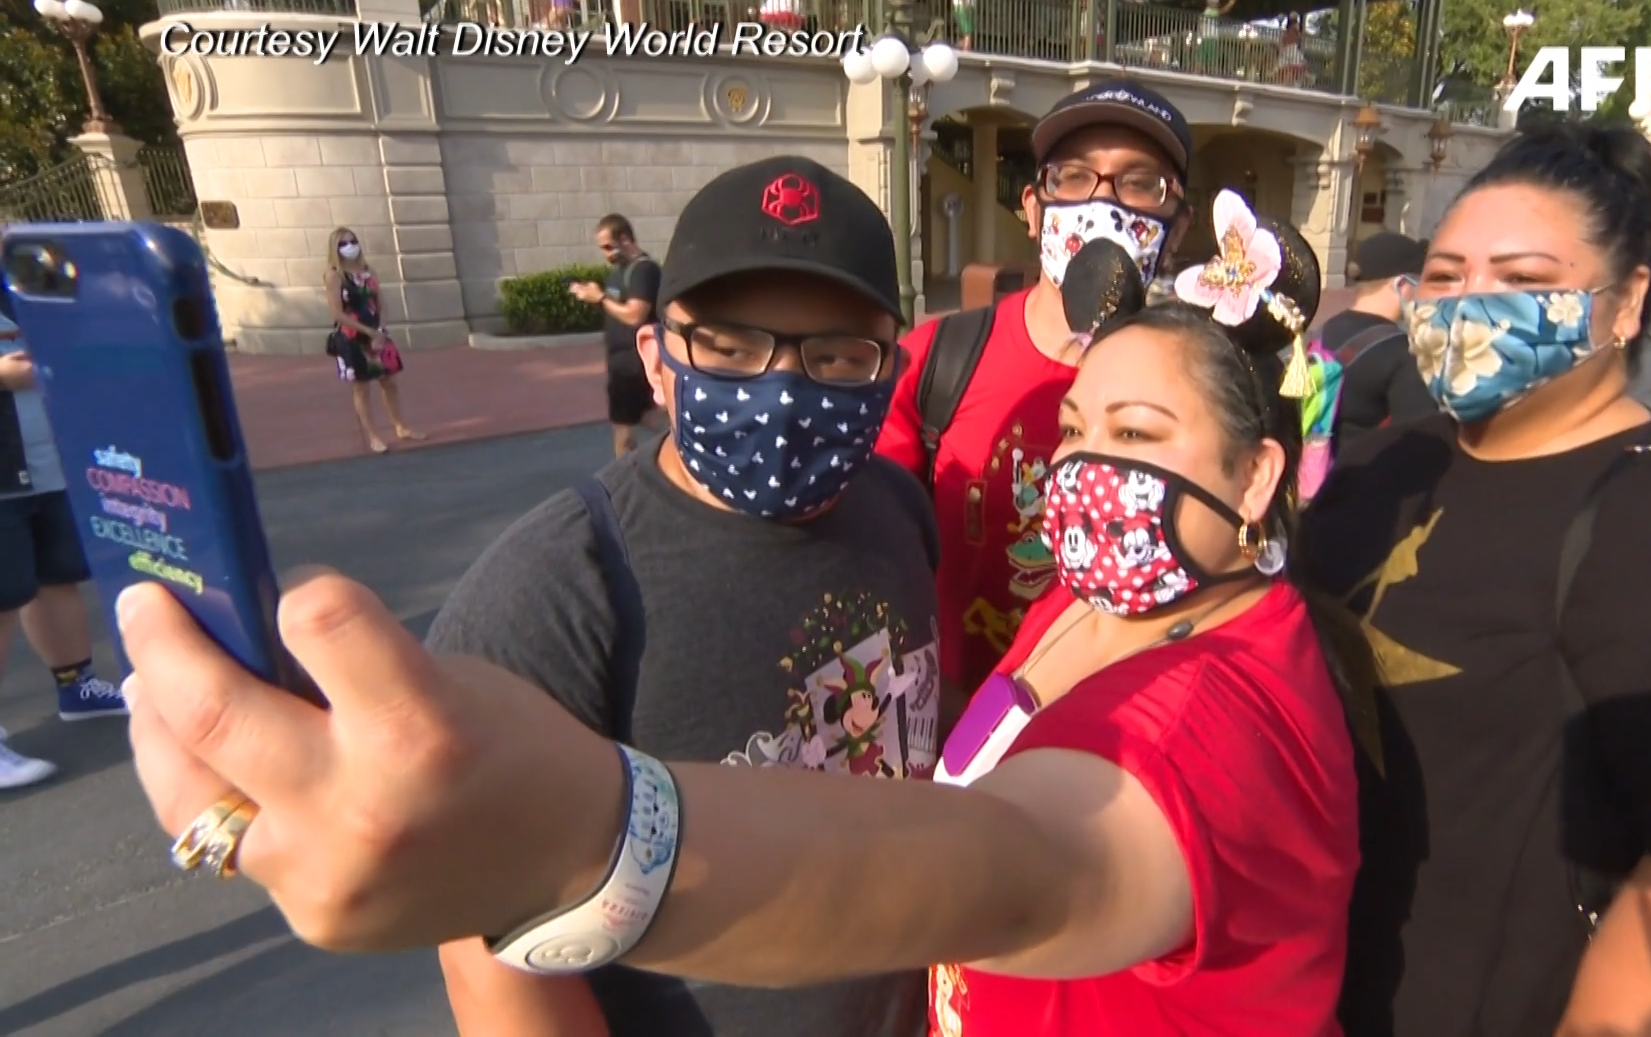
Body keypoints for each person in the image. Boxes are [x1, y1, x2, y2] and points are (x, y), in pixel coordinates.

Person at [115, 237, 1367, 1035]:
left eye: (1138, 437)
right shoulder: (1089, 599)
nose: (1088, 467)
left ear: (1258, 479)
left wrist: (578, 840)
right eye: (1079, 428)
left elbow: (1024, 865)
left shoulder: (1225, 711)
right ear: (663, 359)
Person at [1298, 122, 1651, 1036]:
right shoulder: (1387, 463)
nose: (1468, 307)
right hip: (1319, 974)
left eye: (1525, 281)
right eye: (1446, 276)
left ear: (1627, 300)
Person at [428, 158, 940, 1036]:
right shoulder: (556, 589)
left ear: (888, 366)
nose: (782, 393)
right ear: (658, 361)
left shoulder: (899, 507)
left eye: (836, 355)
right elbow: (492, 959)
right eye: (731, 349)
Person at [878, 78, 1193, 696]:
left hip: (1115, 725)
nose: (1105, 202)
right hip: (957, 723)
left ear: (1177, 228)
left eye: (1139, 182)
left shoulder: (1201, 384)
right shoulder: (933, 362)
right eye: (1073, 177)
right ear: (1032, 208)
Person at [0, 313, 129, 790]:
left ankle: (77, 687)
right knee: (4, 596)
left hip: (48, 465)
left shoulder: (18, 282)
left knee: (57, 578)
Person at [1315, 231, 1436, 449]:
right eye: (1418, 282)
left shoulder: (1325, 330)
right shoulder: (1403, 353)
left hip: (1316, 470)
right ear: (1401, 285)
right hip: (1363, 476)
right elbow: (1419, 442)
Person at [322, 227, 425, 455]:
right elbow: (338, 314)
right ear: (335, 249)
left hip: (377, 333)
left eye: (353, 241)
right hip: (353, 335)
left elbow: (381, 303)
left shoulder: (368, 271)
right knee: (362, 387)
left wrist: (380, 329)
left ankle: (401, 426)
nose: (350, 246)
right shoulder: (334, 276)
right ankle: (373, 436)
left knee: (389, 381)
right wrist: (368, 332)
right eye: (343, 243)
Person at [570, 214, 661, 458]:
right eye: (602, 249)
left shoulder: (644, 271)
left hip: (634, 364)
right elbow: (616, 307)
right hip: (621, 363)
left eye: (609, 247)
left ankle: (624, 485)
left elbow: (634, 315)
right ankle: (690, 451)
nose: (606, 254)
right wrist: (594, 296)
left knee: (624, 434)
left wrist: (599, 298)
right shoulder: (619, 272)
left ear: (625, 239)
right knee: (648, 417)